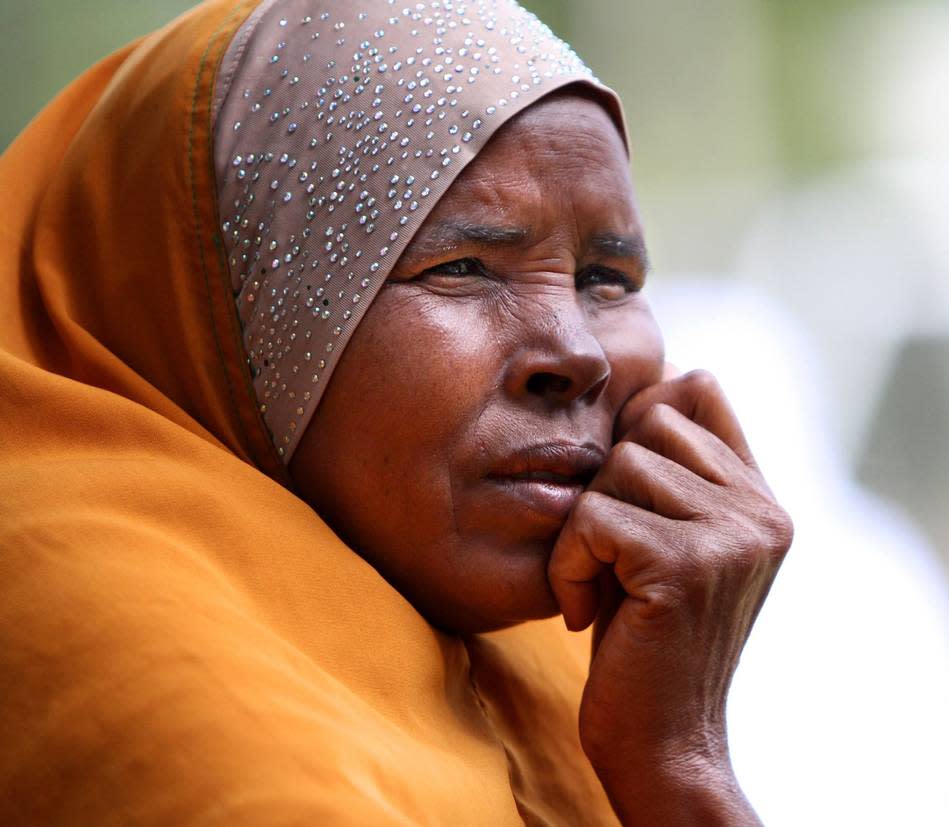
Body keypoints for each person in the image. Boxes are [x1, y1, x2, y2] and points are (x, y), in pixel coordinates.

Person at [0, 0, 793, 824]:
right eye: (463, 266)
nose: (580, 354)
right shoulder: (141, 658)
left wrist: (675, 755)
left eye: (606, 278)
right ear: (226, 315)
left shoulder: (532, 638)